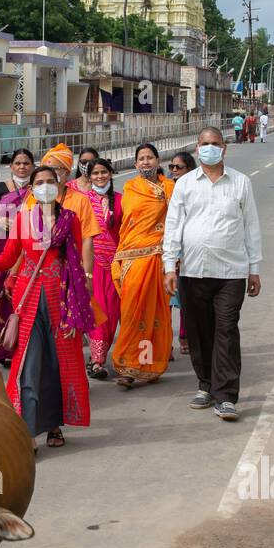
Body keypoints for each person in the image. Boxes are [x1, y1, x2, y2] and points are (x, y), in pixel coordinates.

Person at [0, 164, 95, 449]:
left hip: (60, 301)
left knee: (57, 364)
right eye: (40, 181)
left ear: (59, 184)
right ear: (32, 188)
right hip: (29, 300)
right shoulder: (22, 220)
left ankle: (54, 426)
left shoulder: (70, 219)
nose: (46, 185)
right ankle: (26, 430)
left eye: (51, 180)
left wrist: (83, 284)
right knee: (28, 364)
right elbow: (7, 257)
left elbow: (74, 260)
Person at [163, 126, 262, 422]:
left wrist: (254, 269)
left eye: (215, 143)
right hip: (193, 271)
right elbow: (173, 225)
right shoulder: (184, 185)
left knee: (227, 331)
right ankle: (205, 384)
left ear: (224, 149)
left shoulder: (241, 183)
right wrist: (170, 266)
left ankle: (227, 396)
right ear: (197, 149)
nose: (210, 148)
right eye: (205, 144)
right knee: (199, 332)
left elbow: (251, 227)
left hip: (231, 272)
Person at [110, 142, 175, 388]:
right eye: (141, 158)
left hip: (157, 256)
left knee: (154, 314)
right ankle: (128, 364)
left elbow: (176, 220)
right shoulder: (130, 187)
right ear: (136, 163)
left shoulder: (169, 188)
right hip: (130, 257)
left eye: (150, 157)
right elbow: (126, 224)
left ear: (158, 162)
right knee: (131, 313)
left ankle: (148, 366)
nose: (146, 162)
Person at [0, 148, 35, 365]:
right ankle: (5, 346)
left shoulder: (39, 187)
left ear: (32, 166)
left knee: (28, 298)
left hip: (31, 251)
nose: (22, 167)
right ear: (11, 166)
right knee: (6, 296)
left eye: (26, 163)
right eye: (18, 163)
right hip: (4, 251)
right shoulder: (0, 188)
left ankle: (28, 346)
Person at [24, 142, 100, 276]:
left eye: (54, 168)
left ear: (66, 172)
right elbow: (21, 241)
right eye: (44, 168)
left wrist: (87, 274)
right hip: (35, 270)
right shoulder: (32, 198)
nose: (48, 173)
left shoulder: (80, 200)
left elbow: (87, 239)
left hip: (70, 270)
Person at [80, 157, 123, 379]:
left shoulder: (120, 200)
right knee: (97, 314)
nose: (100, 177)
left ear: (110, 174)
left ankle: (101, 357)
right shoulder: (82, 201)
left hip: (115, 266)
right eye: (95, 173)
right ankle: (96, 361)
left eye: (104, 172)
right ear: (89, 177)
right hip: (91, 266)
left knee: (112, 315)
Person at [166, 150, 196, 355]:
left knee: (186, 297)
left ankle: (185, 335)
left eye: (179, 167)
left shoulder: (195, 190)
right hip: (167, 249)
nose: (174, 170)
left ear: (190, 169)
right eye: (172, 167)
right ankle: (164, 341)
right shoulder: (164, 189)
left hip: (189, 251)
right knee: (165, 298)